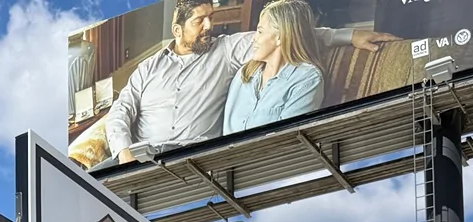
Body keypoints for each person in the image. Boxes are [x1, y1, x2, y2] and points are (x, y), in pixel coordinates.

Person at [102, 1, 392, 166]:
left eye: (211, 18)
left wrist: (348, 36)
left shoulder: (227, 50)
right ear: (177, 30)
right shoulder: (148, 68)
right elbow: (120, 111)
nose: (209, 26)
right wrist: (124, 152)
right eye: (200, 21)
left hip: (192, 158)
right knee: (88, 185)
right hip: (137, 156)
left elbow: (290, 33)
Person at [223, 0, 326, 135]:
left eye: (260, 31)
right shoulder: (245, 74)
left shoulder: (307, 79)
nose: (254, 39)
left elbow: (287, 138)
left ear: (280, 37)